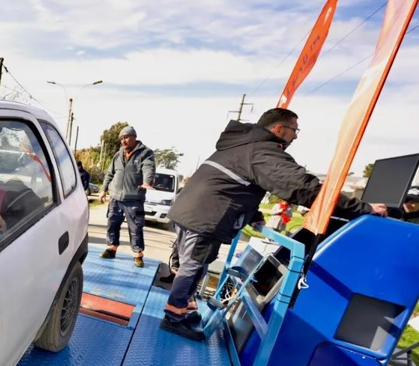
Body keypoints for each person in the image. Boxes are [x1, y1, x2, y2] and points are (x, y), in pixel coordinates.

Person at [162, 108, 388, 341]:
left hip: (191, 211)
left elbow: (235, 185)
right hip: (205, 216)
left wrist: (253, 214)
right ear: (279, 128)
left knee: (196, 265)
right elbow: (303, 188)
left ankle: (184, 310)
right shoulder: (263, 151)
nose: (296, 136)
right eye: (294, 130)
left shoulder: (242, 144)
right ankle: (173, 317)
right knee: (193, 266)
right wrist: (362, 208)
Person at [99, 126, 156, 267]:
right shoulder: (118, 155)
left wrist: (147, 181)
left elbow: (148, 168)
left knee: (136, 228)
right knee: (112, 224)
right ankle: (111, 249)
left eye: (126, 137)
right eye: (121, 139)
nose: (123, 141)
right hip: (116, 198)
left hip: (133, 199)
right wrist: (103, 190)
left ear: (134, 137)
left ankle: (138, 255)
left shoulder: (145, 153)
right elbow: (110, 173)